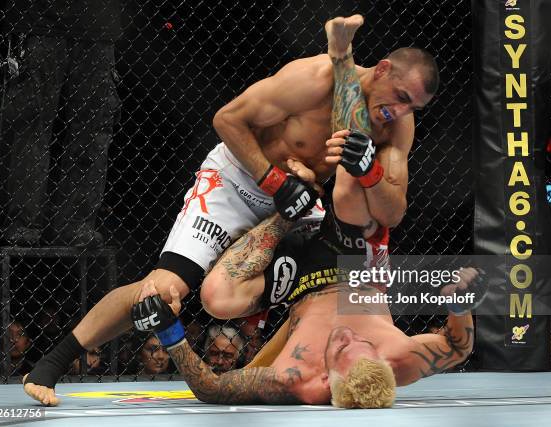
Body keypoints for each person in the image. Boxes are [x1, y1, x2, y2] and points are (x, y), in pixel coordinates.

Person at [23, 14, 438, 405]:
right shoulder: (312, 79)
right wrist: (272, 181)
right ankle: (50, 366)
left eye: (413, 107)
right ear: (382, 69)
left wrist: (368, 172)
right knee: (164, 288)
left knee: (317, 289)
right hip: (237, 183)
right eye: (401, 97)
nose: (401, 111)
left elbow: (392, 211)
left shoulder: (396, 124)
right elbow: (227, 120)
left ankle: (262, 371)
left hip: (298, 201)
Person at [132, 156, 479, 407]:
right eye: (366, 343)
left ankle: (293, 209)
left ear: (327, 380)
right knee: (348, 191)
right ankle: (354, 128)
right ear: (382, 359)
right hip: (356, 270)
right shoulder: (399, 359)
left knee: (217, 298)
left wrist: (171, 335)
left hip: (297, 282)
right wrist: (461, 305)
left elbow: (211, 388)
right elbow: (458, 347)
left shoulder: (293, 379)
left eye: (343, 348)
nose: (348, 334)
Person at [3, 0, 121, 246]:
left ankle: (76, 225)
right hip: (40, 20)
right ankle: (25, 224)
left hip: (96, 23)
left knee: (94, 129)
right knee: (32, 125)